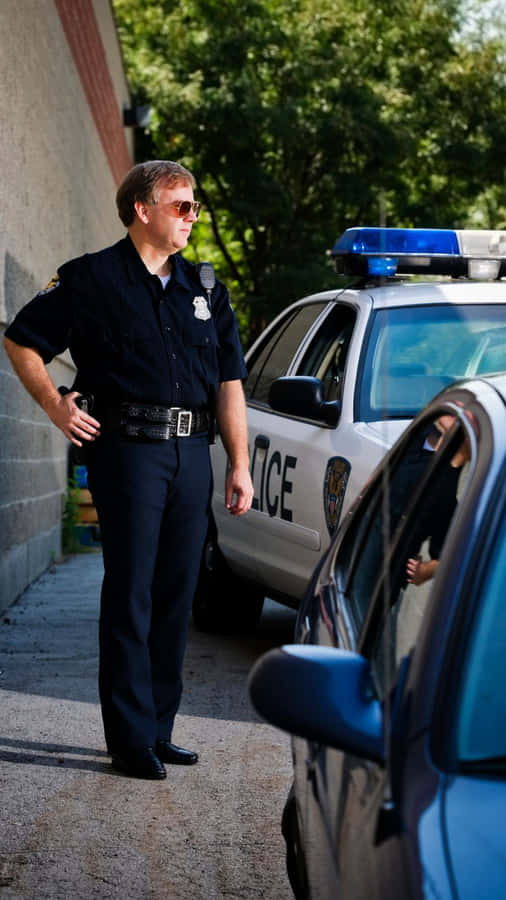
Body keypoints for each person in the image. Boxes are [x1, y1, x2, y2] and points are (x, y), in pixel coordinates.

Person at [3, 160, 254, 780]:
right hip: (129, 452)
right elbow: (22, 340)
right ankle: (129, 739)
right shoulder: (91, 278)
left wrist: (239, 464)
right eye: (181, 206)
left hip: (191, 453)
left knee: (176, 594)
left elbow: (229, 381)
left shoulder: (205, 287)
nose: (193, 217)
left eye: (195, 206)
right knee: (131, 593)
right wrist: (54, 404)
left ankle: (159, 729)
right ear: (143, 209)